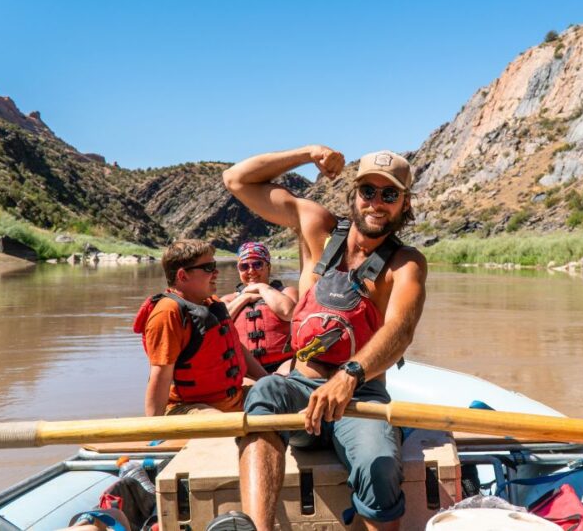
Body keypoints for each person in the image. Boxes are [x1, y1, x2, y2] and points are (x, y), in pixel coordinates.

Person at [222, 146, 427, 531]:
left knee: (379, 468)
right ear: (354, 194)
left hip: (360, 397)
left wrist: (349, 376)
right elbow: (236, 180)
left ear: (405, 203)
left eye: (389, 194)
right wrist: (307, 153)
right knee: (265, 391)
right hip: (299, 387)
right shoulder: (317, 227)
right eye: (368, 191)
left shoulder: (406, 263)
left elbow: (399, 331)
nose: (376, 203)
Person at [133, 239, 267, 416]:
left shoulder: (212, 302)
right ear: (183, 276)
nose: (216, 272)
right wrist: (154, 432)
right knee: (220, 422)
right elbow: (160, 377)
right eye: (208, 267)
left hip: (233, 399)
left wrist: (267, 379)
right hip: (187, 407)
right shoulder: (167, 313)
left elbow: (237, 349)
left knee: (283, 393)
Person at [220, 242, 298, 374]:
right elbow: (218, 327)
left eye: (257, 264)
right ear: (239, 270)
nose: (251, 271)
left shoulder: (287, 292)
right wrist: (244, 297)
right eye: (244, 266)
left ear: (268, 267)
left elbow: (288, 312)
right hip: (246, 369)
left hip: (285, 365)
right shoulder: (228, 300)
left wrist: (261, 287)